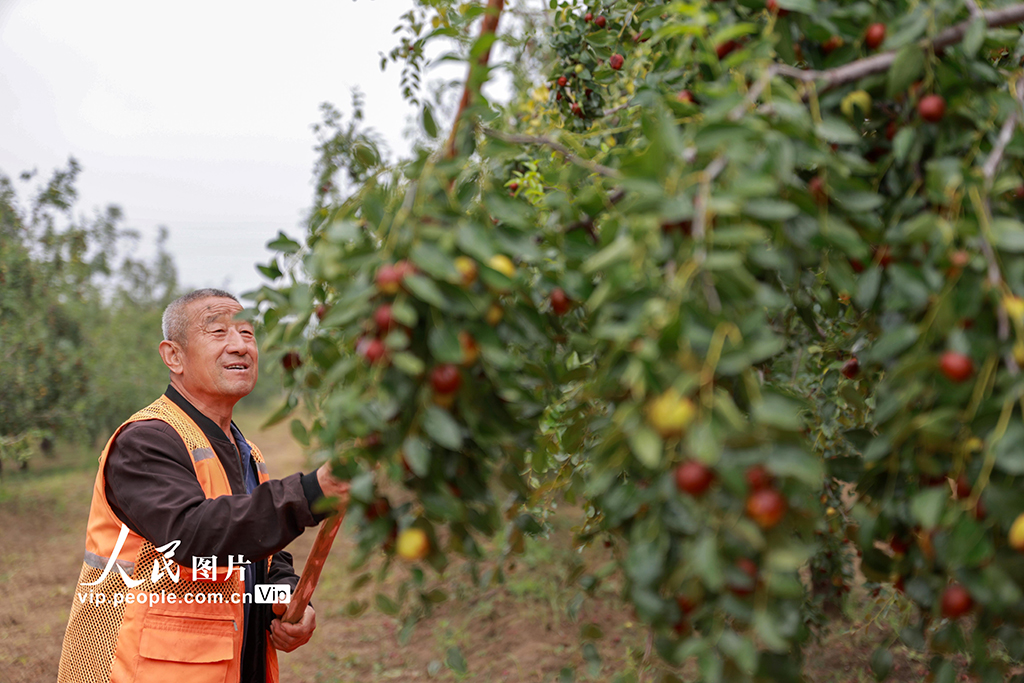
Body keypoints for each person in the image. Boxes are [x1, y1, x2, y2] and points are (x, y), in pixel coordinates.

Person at [57, 288, 350, 683]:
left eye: (248, 334)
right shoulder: (145, 441)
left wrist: (285, 597)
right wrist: (311, 492)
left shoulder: (247, 452)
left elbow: (258, 558)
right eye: (218, 332)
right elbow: (194, 537)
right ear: (173, 356)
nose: (240, 346)